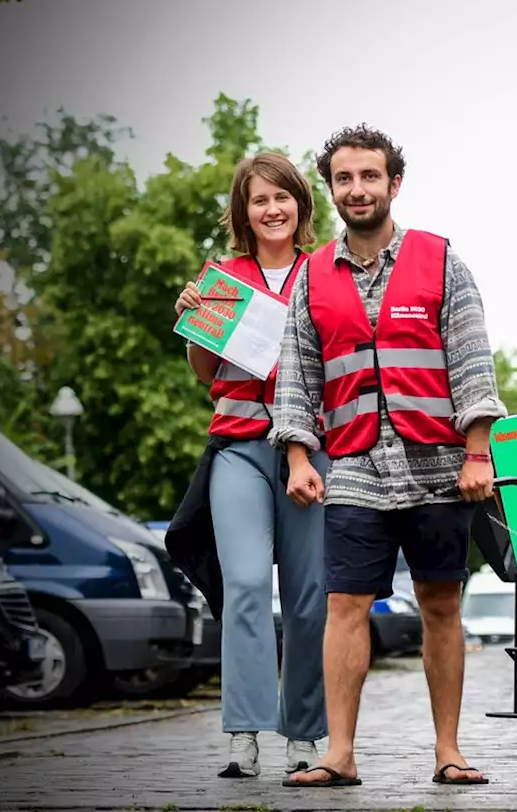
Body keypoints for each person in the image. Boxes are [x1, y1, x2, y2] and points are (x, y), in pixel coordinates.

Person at [273, 124, 506, 788]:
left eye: (369, 176)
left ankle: (448, 750)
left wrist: (477, 451)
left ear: (393, 183)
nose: (357, 188)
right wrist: (297, 455)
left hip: (439, 464)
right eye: (345, 179)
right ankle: (338, 752)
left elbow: (471, 356)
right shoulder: (313, 276)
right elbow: (297, 374)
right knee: (344, 604)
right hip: (352, 465)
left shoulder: (440, 260)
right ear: (333, 189)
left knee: (440, 603)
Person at [168, 152, 329, 778]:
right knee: (245, 586)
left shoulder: (325, 273)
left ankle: (305, 736)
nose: (272, 209)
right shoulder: (222, 277)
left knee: (311, 595)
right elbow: (206, 373)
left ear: (300, 204)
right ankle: (243, 733)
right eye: (259, 199)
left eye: (282, 197)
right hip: (238, 445)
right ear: (244, 210)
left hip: (313, 450)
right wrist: (195, 326)